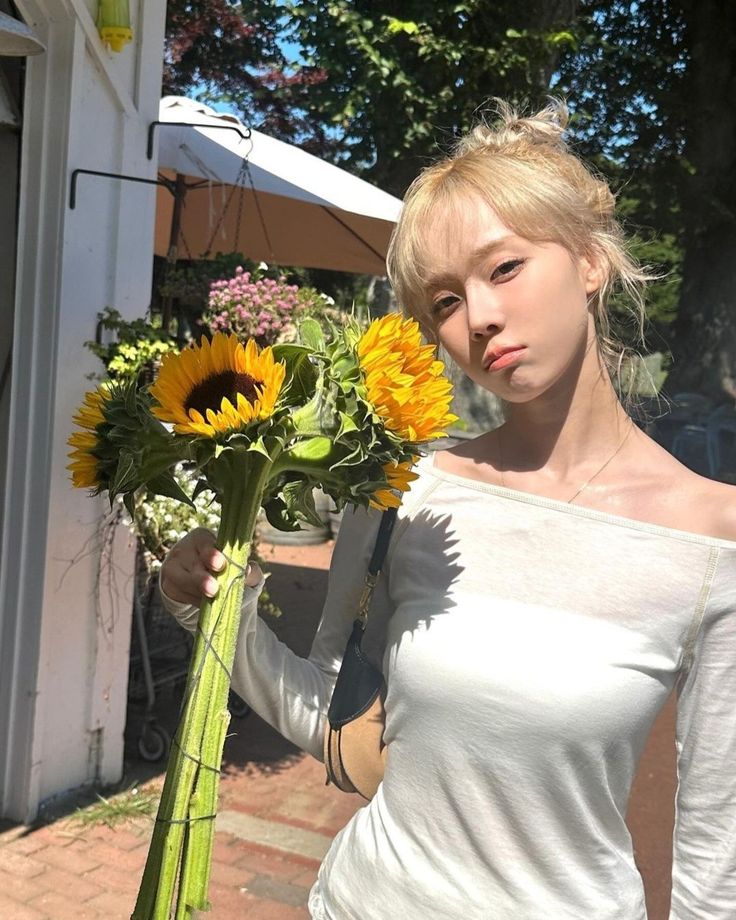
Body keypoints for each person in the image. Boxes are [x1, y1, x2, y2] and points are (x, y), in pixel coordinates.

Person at [159, 100, 736, 919]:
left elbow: (718, 855)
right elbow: (332, 718)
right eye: (443, 302)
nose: (480, 319)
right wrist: (210, 612)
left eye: (503, 269)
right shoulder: (409, 491)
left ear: (590, 260)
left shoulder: (712, 540)